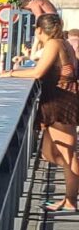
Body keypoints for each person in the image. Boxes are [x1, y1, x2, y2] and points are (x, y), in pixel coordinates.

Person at [24, 11, 79, 212]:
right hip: (58, 99)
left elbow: (38, 72)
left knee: (67, 155)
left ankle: (71, 200)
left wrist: (9, 73)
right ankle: (71, 188)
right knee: (48, 154)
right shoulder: (63, 43)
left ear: (39, 30)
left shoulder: (55, 44)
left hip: (60, 101)